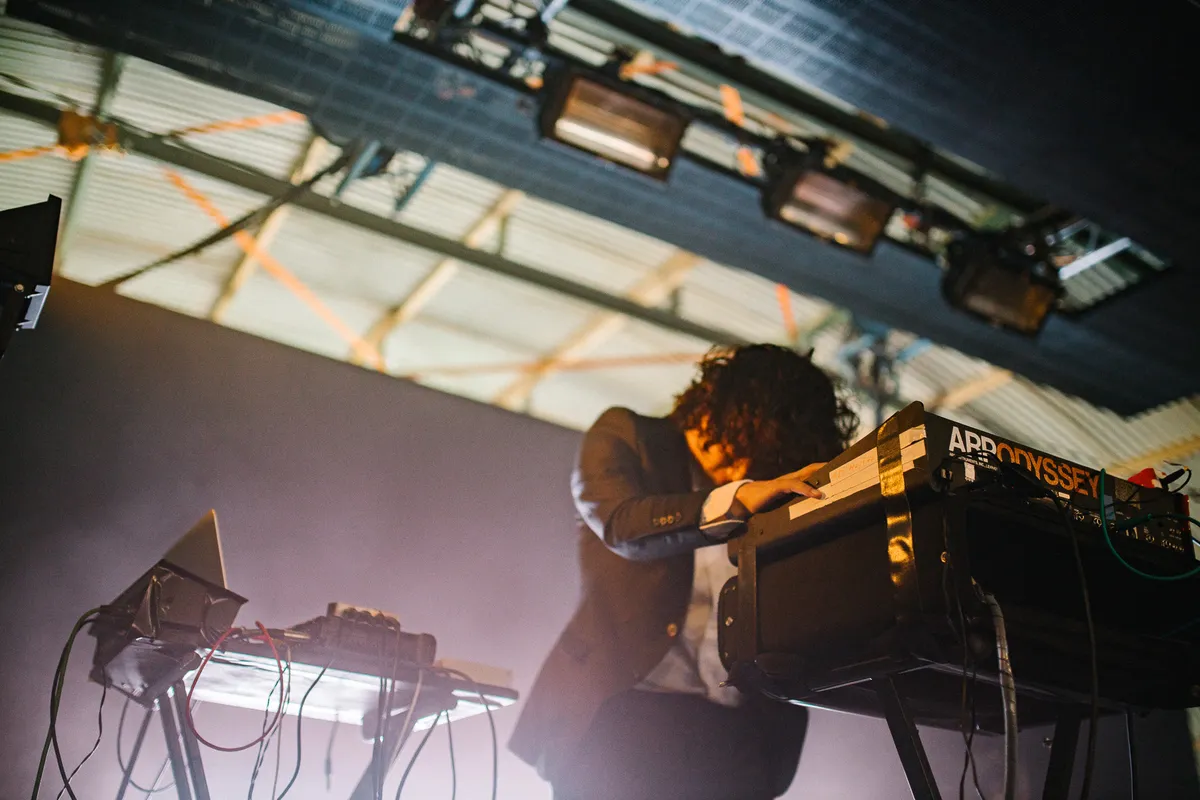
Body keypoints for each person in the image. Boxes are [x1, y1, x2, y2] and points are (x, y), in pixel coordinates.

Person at [509, 344, 859, 800]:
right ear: (721, 411)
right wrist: (734, 500)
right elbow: (620, 524)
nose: (746, 471)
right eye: (744, 449)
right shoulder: (626, 435)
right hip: (622, 716)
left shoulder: (769, 481)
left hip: (739, 734)